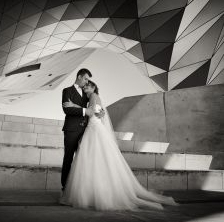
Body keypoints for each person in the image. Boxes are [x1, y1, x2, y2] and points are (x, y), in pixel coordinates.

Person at [61, 80, 178, 211]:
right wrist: (99, 112)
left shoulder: (94, 96)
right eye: (85, 86)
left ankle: (92, 193)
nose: (85, 87)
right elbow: (99, 112)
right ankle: (95, 192)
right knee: (95, 161)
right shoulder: (95, 98)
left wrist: (73, 105)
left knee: (92, 161)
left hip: (94, 130)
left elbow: (89, 111)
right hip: (93, 128)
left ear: (93, 87)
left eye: (88, 86)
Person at [61, 69, 104, 192]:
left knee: (83, 160)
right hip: (71, 130)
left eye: (87, 80)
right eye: (85, 79)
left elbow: (95, 103)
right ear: (79, 77)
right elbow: (67, 110)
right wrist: (86, 111)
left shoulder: (87, 93)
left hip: (86, 130)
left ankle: (81, 189)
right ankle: (65, 188)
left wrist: (102, 112)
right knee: (68, 158)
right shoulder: (67, 91)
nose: (86, 82)